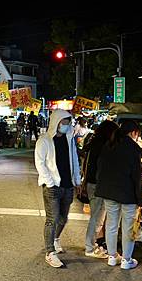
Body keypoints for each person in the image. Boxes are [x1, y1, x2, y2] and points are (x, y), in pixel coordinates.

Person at [95, 120, 142, 270]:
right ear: (134, 133)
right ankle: (126, 260)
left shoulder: (109, 144)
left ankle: (112, 257)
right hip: (127, 193)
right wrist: (140, 198)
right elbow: (137, 177)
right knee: (127, 227)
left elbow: (100, 168)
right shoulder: (132, 149)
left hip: (109, 192)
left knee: (111, 224)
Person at [34, 110, 81, 268]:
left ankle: (55, 239)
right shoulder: (45, 140)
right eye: (63, 122)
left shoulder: (69, 139)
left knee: (63, 218)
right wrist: (49, 182)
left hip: (68, 185)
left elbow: (74, 158)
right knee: (51, 220)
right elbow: (40, 163)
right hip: (52, 187)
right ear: (56, 122)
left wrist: (76, 179)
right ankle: (50, 252)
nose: (66, 126)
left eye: (68, 122)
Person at [81, 120, 119, 259]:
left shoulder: (94, 142)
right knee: (97, 218)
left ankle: (91, 244)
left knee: (97, 217)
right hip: (98, 185)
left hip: (92, 183)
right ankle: (90, 247)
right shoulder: (103, 146)